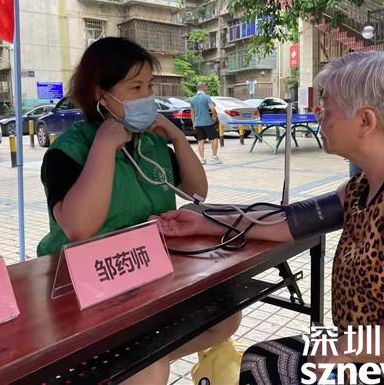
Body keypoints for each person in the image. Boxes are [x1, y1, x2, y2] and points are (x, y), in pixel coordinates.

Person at [155, 52, 384, 385]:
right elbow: (290, 221)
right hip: (372, 352)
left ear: (365, 122)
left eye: (327, 106)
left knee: (265, 370)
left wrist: (342, 348)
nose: (320, 114)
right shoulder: (365, 185)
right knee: (260, 360)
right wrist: (205, 221)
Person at [37, 37, 241, 385]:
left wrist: (177, 138)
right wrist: (104, 147)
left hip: (149, 279)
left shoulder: (150, 142)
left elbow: (196, 192)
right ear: (101, 94)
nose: (147, 97)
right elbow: (79, 228)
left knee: (225, 317)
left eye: (149, 86)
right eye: (135, 88)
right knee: (149, 370)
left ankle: (132, 364)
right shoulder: (68, 152)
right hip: (87, 291)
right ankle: (133, 365)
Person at [190, 82, 221, 164]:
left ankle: (202, 159)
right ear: (203, 88)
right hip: (207, 122)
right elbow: (212, 108)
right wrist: (214, 116)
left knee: (200, 141)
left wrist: (193, 123)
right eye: (205, 87)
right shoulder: (207, 97)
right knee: (215, 138)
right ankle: (214, 157)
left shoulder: (192, 99)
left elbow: (192, 113)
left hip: (198, 123)